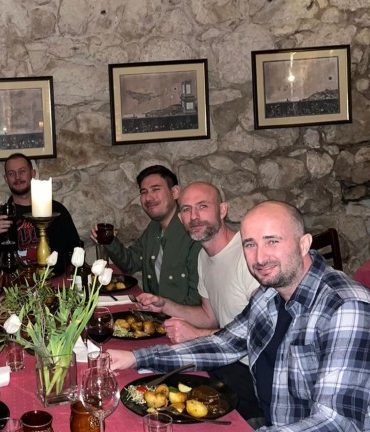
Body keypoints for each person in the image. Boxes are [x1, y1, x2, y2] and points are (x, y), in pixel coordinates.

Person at [109, 201, 370, 431]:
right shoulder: (269, 294)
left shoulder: (344, 307)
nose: (260, 257)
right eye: (250, 244)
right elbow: (223, 344)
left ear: (304, 244)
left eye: (272, 241)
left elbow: (337, 422)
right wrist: (137, 358)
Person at [136, 181, 261, 419]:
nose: (194, 216)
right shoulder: (204, 257)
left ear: (222, 210)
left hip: (253, 372)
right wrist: (164, 304)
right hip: (223, 361)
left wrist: (195, 335)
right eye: (186, 209)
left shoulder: (249, 256)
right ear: (180, 218)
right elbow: (208, 316)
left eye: (203, 206)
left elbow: (260, 336)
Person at [91, 165, 201, 304]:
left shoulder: (193, 232)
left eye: (156, 189)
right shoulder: (154, 227)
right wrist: (109, 240)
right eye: (144, 192)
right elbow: (130, 264)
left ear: (174, 192)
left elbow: (197, 300)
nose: (148, 197)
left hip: (178, 315)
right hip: (153, 311)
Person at [0, 153, 80, 274]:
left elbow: (76, 249)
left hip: (52, 280)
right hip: (12, 283)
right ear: (6, 179)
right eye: (11, 173)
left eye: (22, 171)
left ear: (33, 174)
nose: (17, 177)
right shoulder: (1, 213)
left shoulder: (56, 210)